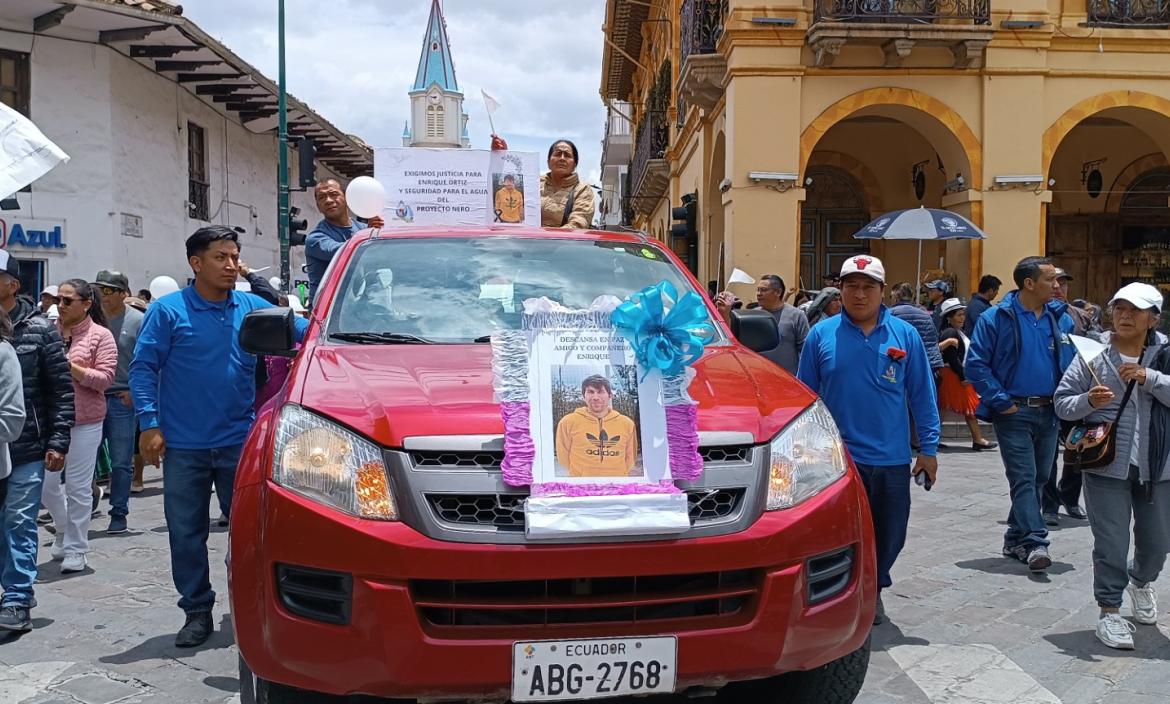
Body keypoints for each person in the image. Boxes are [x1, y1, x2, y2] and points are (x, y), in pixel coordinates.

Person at [130, 226, 308, 648]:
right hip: (184, 447)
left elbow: (307, 333)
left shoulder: (252, 307)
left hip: (241, 445)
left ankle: (252, 606)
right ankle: (196, 610)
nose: (231, 266)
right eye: (221, 258)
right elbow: (142, 368)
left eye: (234, 257)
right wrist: (150, 424)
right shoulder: (168, 311)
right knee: (185, 533)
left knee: (252, 534)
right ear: (196, 263)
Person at [797, 255, 940, 625]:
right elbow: (806, 398)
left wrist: (928, 449)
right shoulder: (821, 335)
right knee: (837, 533)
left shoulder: (904, 335)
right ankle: (848, 591)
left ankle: (874, 585)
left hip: (891, 458)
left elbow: (922, 395)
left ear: (882, 291)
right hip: (837, 459)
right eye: (851, 286)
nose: (859, 294)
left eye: (868, 287)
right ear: (839, 290)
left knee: (891, 532)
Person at [1054, 282, 1169, 650]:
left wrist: (1150, 379)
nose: (1124, 315)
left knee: (1158, 541)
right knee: (1111, 542)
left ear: (1153, 317)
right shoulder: (1093, 353)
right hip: (1106, 464)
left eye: (1135, 310)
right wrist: (1088, 400)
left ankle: (1141, 581)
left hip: (1159, 465)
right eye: (1119, 308)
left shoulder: (1166, 354)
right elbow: (1062, 403)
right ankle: (1109, 611)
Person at [966, 256, 1074, 574]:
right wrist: (1001, 402)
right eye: (1051, 280)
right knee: (1024, 477)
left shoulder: (1060, 318)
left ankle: (1014, 537)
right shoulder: (995, 318)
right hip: (1014, 411)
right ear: (1029, 284)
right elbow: (976, 364)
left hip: (1050, 410)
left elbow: (1072, 361)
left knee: (1041, 476)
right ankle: (1035, 540)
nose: (1058, 286)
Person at [0, 251, 74, 632]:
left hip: (27, 444)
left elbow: (60, 389)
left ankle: (15, 597)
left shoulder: (41, 329)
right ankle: (16, 589)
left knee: (18, 520)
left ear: (13, 284)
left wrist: (58, 441)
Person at [42, 280, 116, 574]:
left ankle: (76, 547)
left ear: (86, 304)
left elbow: (105, 379)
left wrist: (72, 367)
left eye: (67, 301)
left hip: (86, 420)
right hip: (51, 421)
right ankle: (62, 528)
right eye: (58, 300)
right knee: (46, 486)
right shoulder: (48, 333)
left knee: (77, 486)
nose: (60, 306)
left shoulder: (101, 336)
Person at [1041, 267, 1093, 525]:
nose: (1059, 288)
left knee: (1078, 448)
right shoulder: (1034, 314)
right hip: (1046, 395)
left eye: (1063, 283)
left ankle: (1070, 498)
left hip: (1077, 393)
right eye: (1054, 282)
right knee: (1048, 453)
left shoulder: (1081, 316)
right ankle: (1049, 502)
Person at [93, 270, 144, 533]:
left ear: (124, 293)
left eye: (109, 289)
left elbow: (147, 361)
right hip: (91, 396)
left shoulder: (138, 321)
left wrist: (136, 391)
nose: (103, 293)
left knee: (121, 461)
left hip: (121, 399)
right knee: (85, 459)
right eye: (99, 288)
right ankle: (88, 500)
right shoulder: (91, 320)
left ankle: (119, 512)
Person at [305, 178, 385, 303]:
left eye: (334, 194)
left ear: (347, 199)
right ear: (318, 207)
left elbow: (379, 261)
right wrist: (368, 236)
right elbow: (344, 252)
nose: (329, 200)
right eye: (322, 197)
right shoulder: (315, 239)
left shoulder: (364, 229)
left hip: (362, 308)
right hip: (328, 312)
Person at [492, 135, 596, 229]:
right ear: (548, 162)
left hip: (561, 247)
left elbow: (578, 224)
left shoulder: (582, 190)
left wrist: (545, 240)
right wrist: (501, 156)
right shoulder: (533, 182)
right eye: (557, 154)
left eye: (567, 155)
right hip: (523, 243)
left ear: (575, 165)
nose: (562, 158)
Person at [936, 298, 997, 451]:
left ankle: (933, 439)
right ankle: (977, 439)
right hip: (953, 375)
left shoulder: (956, 332)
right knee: (969, 407)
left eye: (963, 314)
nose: (962, 318)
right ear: (949, 317)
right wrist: (963, 377)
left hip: (954, 374)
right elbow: (952, 358)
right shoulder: (950, 333)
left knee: (946, 407)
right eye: (958, 315)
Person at [716, 275, 808, 375]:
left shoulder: (797, 316)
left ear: (778, 292)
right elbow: (733, 341)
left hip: (787, 379)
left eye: (763, 290)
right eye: (758, 290)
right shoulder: (751, 315)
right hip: (757, 376)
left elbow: (805, 350)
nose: (759, 294)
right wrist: (725, 312)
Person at [555, 375, 638, 478]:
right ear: (583, 395)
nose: (595, 397)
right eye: (590, 392)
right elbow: (563, 456)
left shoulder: (627, 424)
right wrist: (581, 474)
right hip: (582, 486)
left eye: (600, 392)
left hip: (616, 487)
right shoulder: (568, 422)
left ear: (610, 396)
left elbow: (631, 457)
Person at [889, 282, 945, 374]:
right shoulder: (925, 314)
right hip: (929, 363)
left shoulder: (890, 314)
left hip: (903, 365)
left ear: (895, 297)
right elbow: (935, 338)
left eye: (890, 297)